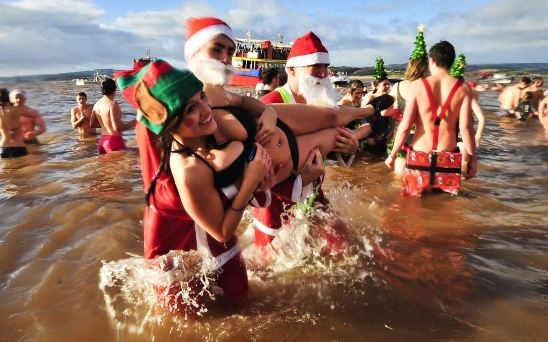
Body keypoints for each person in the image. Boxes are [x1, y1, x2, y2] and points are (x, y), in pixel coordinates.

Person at [183, 21, 393, 250]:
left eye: (326, 66)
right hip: (277, 206)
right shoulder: (270, 102)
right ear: (291, 70)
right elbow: (255, 166)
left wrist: (352, 146)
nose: (323, 74)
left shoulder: (320, 101)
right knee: (275, 269)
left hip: (313, 193)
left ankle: (370, 121)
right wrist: (303, 177)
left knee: (346, 246)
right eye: (315, 67)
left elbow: (326, 146)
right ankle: (371, 118)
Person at [115, 60, 271, 313]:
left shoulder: (214, 127)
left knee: (245, 307)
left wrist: (270, 119)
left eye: (202, 97)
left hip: (215, 238)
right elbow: (221, 232)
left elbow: (258, 114)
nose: (206, 110)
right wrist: (251, 181)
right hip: (174, 247)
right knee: (187, 324)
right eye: (191, 108)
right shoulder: (186, 168)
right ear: (172, 123)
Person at [385, 40, 477, 197]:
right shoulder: (463, 89)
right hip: (448, 156)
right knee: (446, 209)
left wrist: (392, 156)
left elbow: (405, 126)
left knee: (412, 206)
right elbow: (466, 129)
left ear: (431, 60)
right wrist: (472, 159)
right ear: (451, 61)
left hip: (419, 155)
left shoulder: (418, 87)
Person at [386, 25, 430, 177]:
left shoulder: (397, 87)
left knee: (398, 179)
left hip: (401, 137)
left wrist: (397, 113)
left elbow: (385, 111)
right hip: (424, 139)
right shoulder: (430, 87)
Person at [90, 78, 136, 154]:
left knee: (106, 166)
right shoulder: (113, 104)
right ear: (114, 90)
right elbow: (117, 128)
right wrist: (135, 122)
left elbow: (92, 124)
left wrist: (105, 124)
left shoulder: (97, 104)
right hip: (113, 141)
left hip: (102, 141)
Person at [0, 88, 27, 158]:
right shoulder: (17, 108)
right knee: (24, 168)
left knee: (6, 168)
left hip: (4, 146)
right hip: (19, 145)